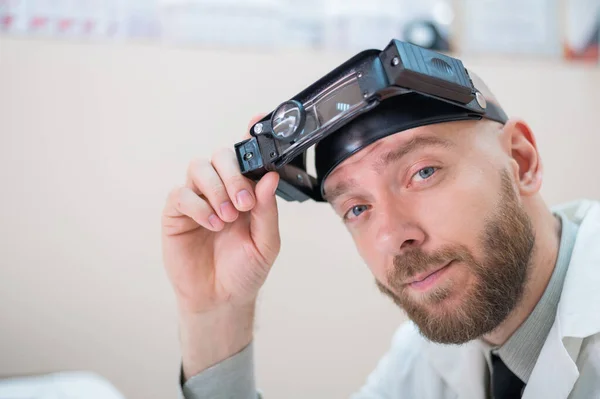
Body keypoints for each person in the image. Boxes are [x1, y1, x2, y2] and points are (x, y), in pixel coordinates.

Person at [161, 69, 600, 399]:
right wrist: (215, 314)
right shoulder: (423, 360)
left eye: (423, 172)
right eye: (357, 208)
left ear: (521, 162)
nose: (392, 236)